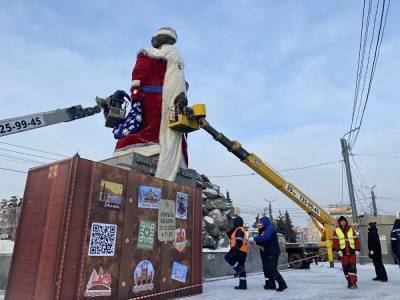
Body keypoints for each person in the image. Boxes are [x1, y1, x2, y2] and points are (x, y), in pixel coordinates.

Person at [112, 27, 188, 181]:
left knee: (168, 126)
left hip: (167, 101)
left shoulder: (172, 58)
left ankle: (165, 152)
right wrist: (137, 96)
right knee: (148, 125)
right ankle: (153, 149)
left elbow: (139, 77)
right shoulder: (151, 55)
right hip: (152, 100)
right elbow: (138, 76)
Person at [254, 216, 287, 292]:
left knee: (272, 269)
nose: (259, 224)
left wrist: (256, 238)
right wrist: (258, 240)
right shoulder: (263, 230)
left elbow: (265, 238)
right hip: (266, 252)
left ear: (264, 222)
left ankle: (282, 285)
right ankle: (270, 284)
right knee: (267, 269)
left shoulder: (270, 228)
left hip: (273, 252)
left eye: (260, 222)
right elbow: (260, 240)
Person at [332, 216, 361, 289]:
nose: (343, 222)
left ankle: (353, 283)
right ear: (339, 222)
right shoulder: (336, 230)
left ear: (346, 221)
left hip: (352, 252)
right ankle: (349, 282)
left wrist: (357, 249)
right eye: (341, 221)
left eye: (344, 221)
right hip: (343, 252)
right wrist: (338, 250)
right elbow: (335, 242)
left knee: (352, 268)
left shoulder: (351, 229)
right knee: (345, 268)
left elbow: (356, 240)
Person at [224, 216, 248, 290]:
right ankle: (243, 285)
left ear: (237, 222)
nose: (233, 223)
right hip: (243, 251)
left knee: (227, 257)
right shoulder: (241, 229)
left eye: (234, 222)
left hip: (238, 250)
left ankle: (238, 269)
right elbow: (231, 235)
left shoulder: (239, 230)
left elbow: (239, 241)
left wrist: (234, 250)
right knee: (242, 267)